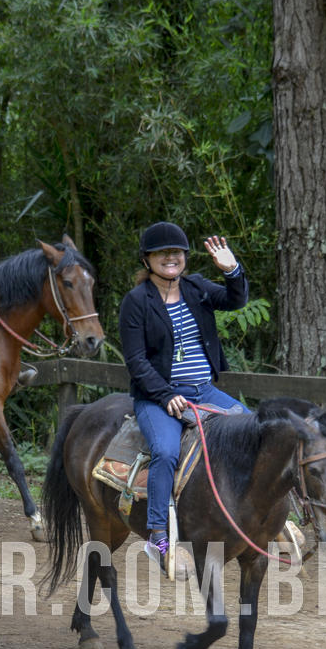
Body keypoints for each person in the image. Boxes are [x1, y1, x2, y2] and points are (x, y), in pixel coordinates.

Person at [119, 221, 249, 572]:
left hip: (205, 391)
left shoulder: (197, 288)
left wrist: (232, 271)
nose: (170, 258)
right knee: (165, 452)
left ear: (185, 257)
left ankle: (262, 518)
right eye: (162, 253)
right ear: (147, 260)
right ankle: (158, 534)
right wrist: (164, 396)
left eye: (176, 252)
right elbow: (136, 361)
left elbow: (236, 300)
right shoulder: (136, 302)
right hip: (157, 398)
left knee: (254, 430)